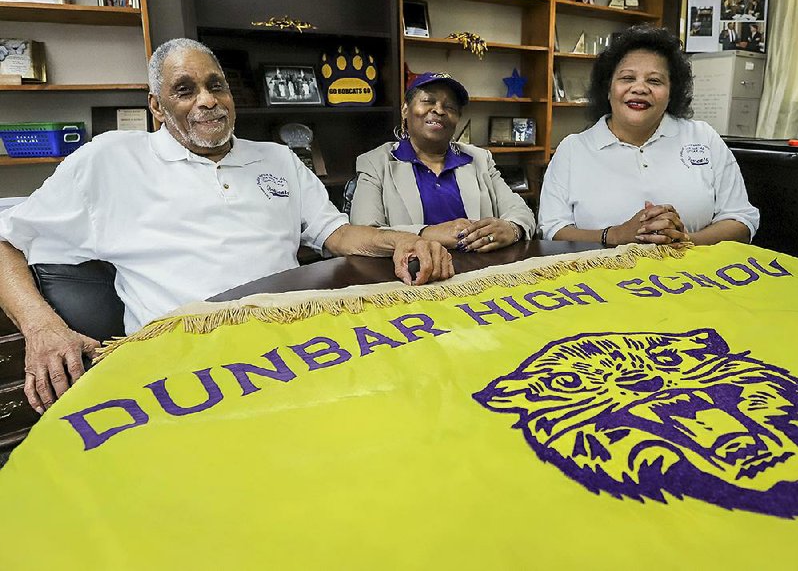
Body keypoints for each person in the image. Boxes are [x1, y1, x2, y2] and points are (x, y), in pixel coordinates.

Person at [0, 38, 453, 414]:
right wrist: (43, 329)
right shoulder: (110, 158)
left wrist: (404, 240)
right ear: (157, 107)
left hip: (294, 351)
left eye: (216, 86)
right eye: (185, 90)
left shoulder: (277, 157)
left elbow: (334, 233)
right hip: (180, 368)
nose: (207, 100)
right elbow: (5, 242)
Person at [538, 25, 759, 248]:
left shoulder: (704, 138)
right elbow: (552, 230)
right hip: (599, 279)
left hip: (694, 277)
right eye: (627, 78)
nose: (640, 88)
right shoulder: (573, 149)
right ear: (608, 88)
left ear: (672, 92)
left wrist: (685, 241)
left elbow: (741, 220)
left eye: (654, 81)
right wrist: (615, 235)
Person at [349, 72, 537, 253]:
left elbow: (522, 212)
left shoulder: (479, 159)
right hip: (410, 277)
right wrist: (427, 234)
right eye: (428, 101)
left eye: (450, 107)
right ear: (405, 109)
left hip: (482, 273)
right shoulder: (376, 162)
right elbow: (362, 235)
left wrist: (511, 229)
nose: (439, 110)